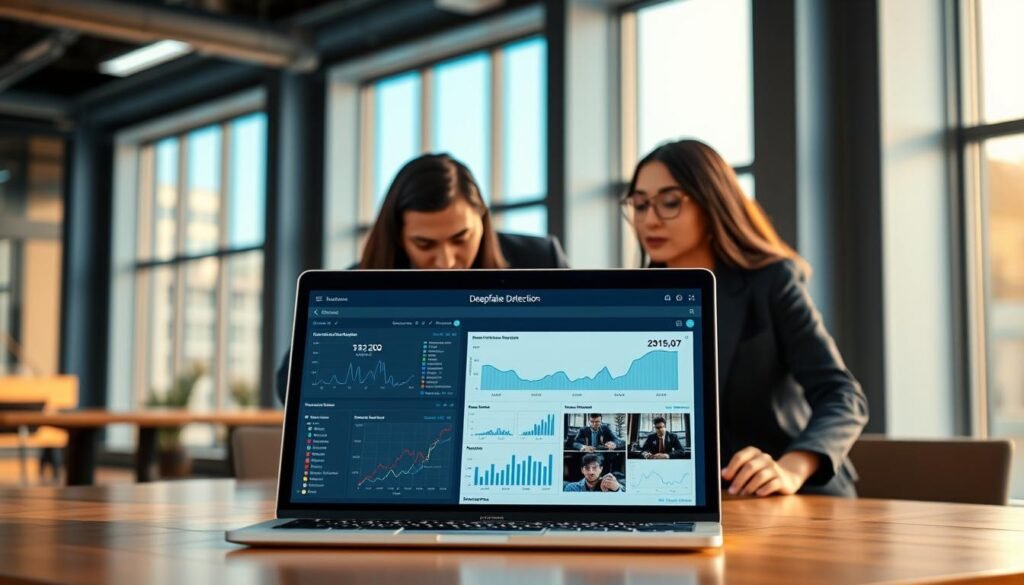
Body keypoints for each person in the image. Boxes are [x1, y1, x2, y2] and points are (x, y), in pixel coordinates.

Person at [622, 139, 868, 498]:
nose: (650, 219)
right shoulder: (635, 299)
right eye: (640, 205)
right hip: (685, 497)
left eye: (670, 203)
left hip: (790, 496)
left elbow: (843, 395)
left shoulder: (771, 281)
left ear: (712, 203)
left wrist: (790, 468)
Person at [277, 153, 568, 402]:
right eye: (425, 244)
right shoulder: (360, 284)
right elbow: (288, 382)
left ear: (482, 219)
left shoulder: (541, 260)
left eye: (461, 238)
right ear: (399, 238)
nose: (446, 260)